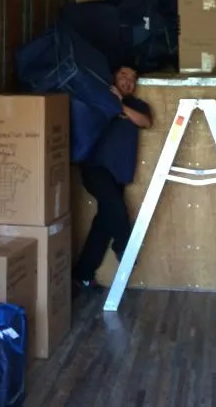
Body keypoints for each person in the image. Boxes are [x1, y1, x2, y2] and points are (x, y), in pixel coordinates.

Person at [72, 66, 152, 293]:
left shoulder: (137, 106)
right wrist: (111, 102)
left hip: (118, 174)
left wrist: (121, 105)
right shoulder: (97, 100)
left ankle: (82, 275)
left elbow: (145, 122)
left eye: (133, 79)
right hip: (95, 168)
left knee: (104, 223)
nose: (128, 81)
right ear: (113, 77)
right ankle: (124, 246)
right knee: (115, 208)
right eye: (123, 75)